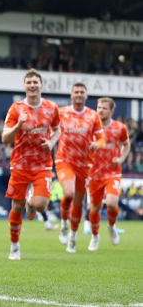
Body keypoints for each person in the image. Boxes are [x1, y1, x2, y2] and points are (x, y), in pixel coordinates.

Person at [1, 69, 61, 260]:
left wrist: (52, 142)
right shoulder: (16, 108)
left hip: (42, 164)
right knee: (16, 208)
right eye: (29, 83)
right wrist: (18, 125)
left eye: (36, 82)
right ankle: (14, 247)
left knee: (41, 205)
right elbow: (4, 139)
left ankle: (31, 202)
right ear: (24, 86)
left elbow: (58, 130)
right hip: (19, 164)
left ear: (41, 85)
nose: (32, 85)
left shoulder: (52, 108)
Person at [55, 83, 105, 253]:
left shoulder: (93, 116)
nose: (79, 94)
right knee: (68, 194)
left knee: (78, 203)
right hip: (65, 160)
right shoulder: (61, 112)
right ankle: (63, 224)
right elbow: (51, 130)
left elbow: (102, 140)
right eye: (76, 91)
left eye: (82, 92)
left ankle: (72, 238)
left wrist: (96, 145)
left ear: (86, 95)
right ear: (71, 95)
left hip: (85, 165)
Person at [87, 98, 129, 251]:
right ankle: (95, 236)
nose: (101, 110)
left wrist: (122, 158)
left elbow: (126, 144)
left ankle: (111, 227)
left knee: (111, 203)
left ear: (111, 111)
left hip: (112, 172)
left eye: (104, 108)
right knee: (95, 208)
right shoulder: (91, 127)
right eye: (99, 107)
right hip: (94, 174)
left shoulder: (120, 127)